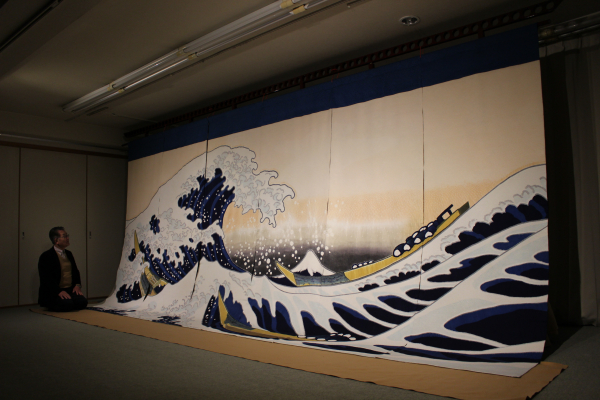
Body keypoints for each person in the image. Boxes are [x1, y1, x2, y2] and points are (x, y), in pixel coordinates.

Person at [38, 227, 88, 311]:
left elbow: (75, 271)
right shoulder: (46, 256)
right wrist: (58, 291)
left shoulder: (69, 253)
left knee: (82, 302)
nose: (67, 238)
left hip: (69, 289)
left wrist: (77, 285)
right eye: (64, 236)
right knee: (67, 304)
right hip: (54, 291)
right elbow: (46, 278)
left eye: (67, 236)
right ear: (56, 240)